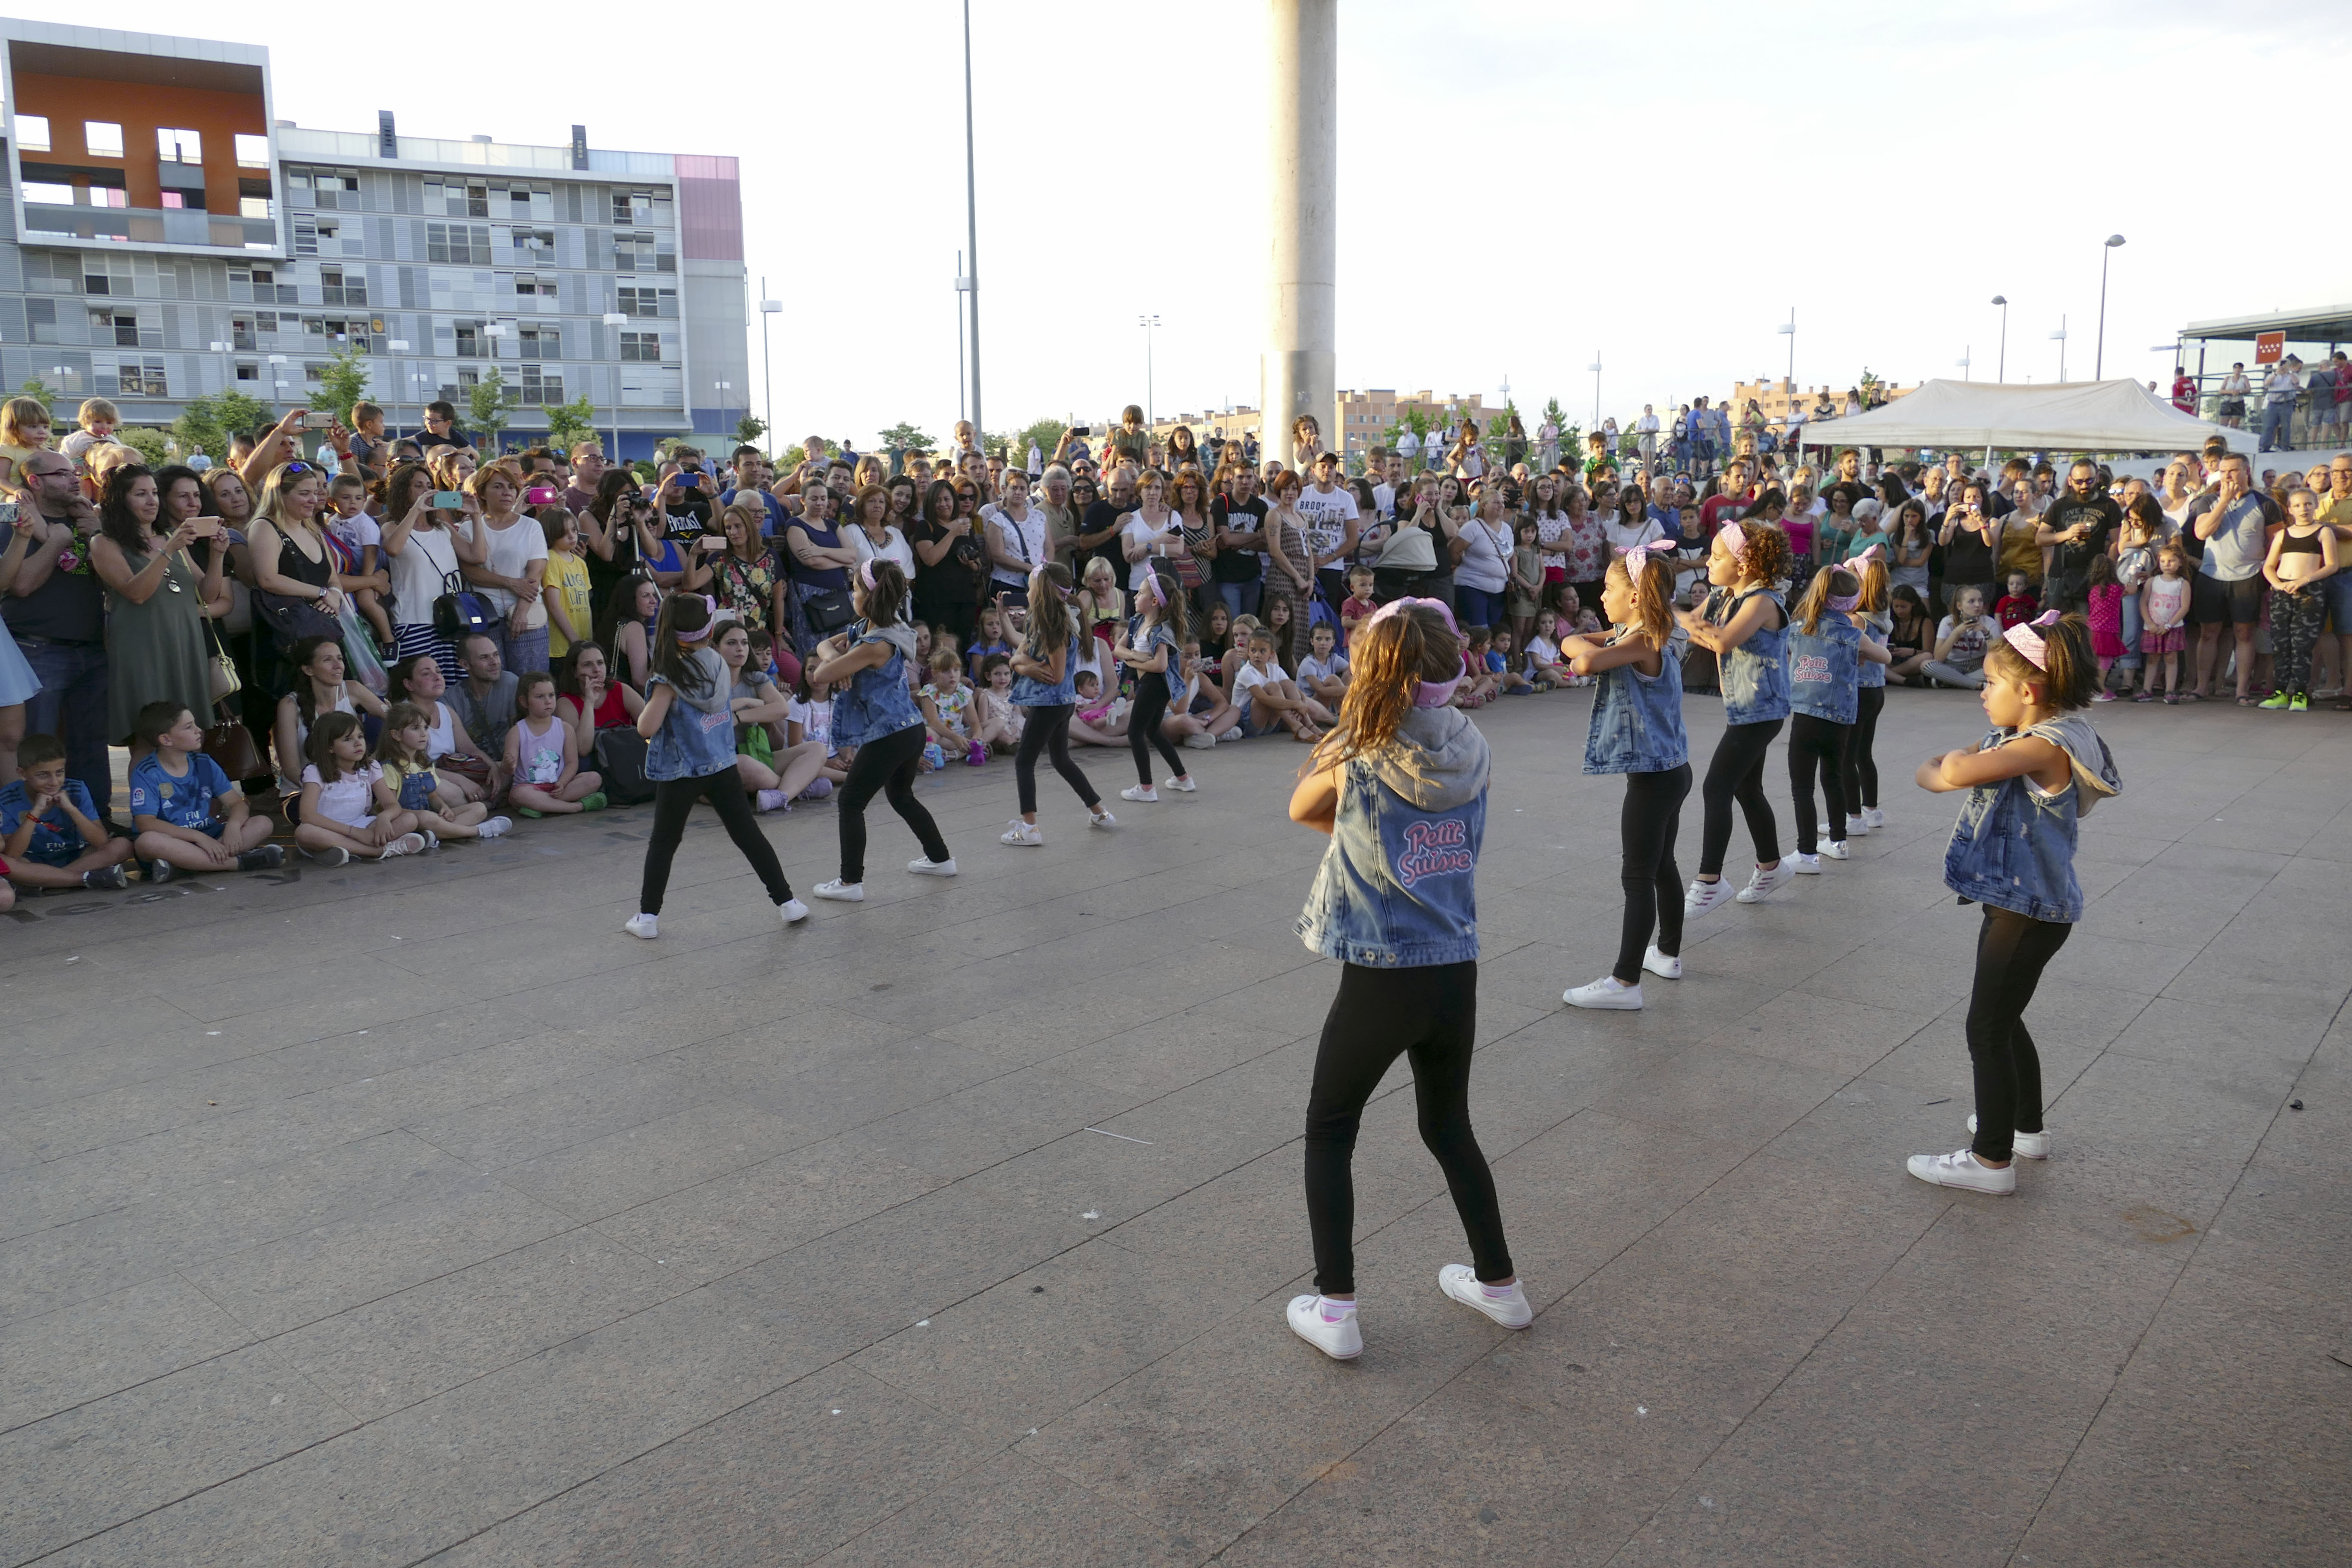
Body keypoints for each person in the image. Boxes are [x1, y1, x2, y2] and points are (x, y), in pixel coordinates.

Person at [1284, 597, 1526, 1360]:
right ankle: (1501, 1285)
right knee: (1449, 1125)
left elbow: (1301, 810)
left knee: (1330, 1128)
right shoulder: (1473, 744)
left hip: (1382, 975)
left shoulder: (1357, 749)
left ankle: (1336, 1307)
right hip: (1456, 969)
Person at [1907, 611, 2121, 1194]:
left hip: (2024, 910)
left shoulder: (2041, 747)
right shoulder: (2050, 733)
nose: (1982, 693)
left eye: (1990, 683)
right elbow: (1957, 767)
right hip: (2027, 905)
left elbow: (1947, 772)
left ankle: (1991, 1161)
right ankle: (2025, 1129)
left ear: (2028, 693)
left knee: (1986, 1027)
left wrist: (1948, 762)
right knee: (2004, 1017)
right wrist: (1955, 764)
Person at [625, 592, 807, 937]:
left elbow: (646, 728)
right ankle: (788, 902)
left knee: (664, 842)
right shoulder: (718, 663)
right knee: (748, 834)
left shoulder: (669, 677)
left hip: (681, 771)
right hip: (722, 764)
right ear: (710, 632)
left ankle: (648, 917)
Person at [1559, 547, 1689, 1010]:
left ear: (1635, 597)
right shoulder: (1647, 631)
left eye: (1609, 588)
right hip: (1669, 770)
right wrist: (1584, 648)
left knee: (1638, 875)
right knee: (1662, 865)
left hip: (1654, 778)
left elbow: (1585, 660)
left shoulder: (1644, 641)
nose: (1601, 596)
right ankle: (1667, 954)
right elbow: (1579, 642)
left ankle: (1625, 982)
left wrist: (1583, 652)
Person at [806, 559, 956, 901]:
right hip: (909, 728)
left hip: (891, 734)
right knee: (901, 797)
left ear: (869, 596)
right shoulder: (880, 628)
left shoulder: (877, 644)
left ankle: (850, 883)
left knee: (850, 801)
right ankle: (940, 859)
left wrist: (837, 665)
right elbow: (825, 646)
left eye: (855, 589)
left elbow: (819, 675)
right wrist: (838, 662)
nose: (852, 595)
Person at [1678, 520, 1794, 912]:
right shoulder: (1723, 595)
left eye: (1716, 557)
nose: (1708, 563)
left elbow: (1721, 640)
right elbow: (1693, 626)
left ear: (1743, 566)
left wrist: (1679, 616)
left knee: (1716, 787)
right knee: (1746, 788)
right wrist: (1678, 617)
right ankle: (1772, 866)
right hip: (1743, 708)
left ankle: (1710, 880)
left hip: (1762, 711)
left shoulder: (1762, 602)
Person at [88, 465, 227, 754]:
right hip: (143, 649)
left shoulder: (169, 536)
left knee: (191, 737)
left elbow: (206, 595)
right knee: (149, 740)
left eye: (154, 493)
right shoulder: (104, 543)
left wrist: (217, 556)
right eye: (141, 494)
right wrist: (168, 551)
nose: (152, 501)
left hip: (184, 644)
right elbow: (137, 594)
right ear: (120, 500)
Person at [5, 447, 111, 808]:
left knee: (91, 742)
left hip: (93, 649)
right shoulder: (15, 521)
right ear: (35, 481)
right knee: (39, 747)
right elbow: (20, 585)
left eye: (74, 473)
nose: (74, 480)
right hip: (39, 649)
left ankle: (96, 818)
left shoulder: (88, 521)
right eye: (62, 474)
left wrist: (98, 537)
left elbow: (116, 583)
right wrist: (55, 542)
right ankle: (39, 825)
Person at [999, 561, 1116, 845]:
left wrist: (1021, 664)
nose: (1027, 593)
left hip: (1049, 703)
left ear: (1041, 591)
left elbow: (1056, 674)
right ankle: (1100, 813)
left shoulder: (1055, 625)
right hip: (1059, 702)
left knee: (1024, 760)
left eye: (1030, 588)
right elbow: (1020, 652)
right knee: (1061, 759)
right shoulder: (1046, 619)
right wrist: (1020, 663)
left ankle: (1029, 829)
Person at [1782, 564, 1886, 873]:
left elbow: (1786, 658)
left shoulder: (1798, 628)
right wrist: (1863, 654)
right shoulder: (1854, 635)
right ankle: (1839, 842)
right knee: (1834, 778)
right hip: (1840, 718)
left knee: (1802, 787)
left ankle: (1806, 854)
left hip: (1805, 715)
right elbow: (1886, 657)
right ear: (1853, 601)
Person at [124, 702, 284, 878]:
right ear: (166, 740)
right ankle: (237, 863)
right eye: (189, 727)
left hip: (210, 834)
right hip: (173, 840)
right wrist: (197, 837)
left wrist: (233, 826)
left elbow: (237, 804)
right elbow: (146, 823)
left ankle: (187, 865)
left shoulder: (204, 762)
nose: (198, 730)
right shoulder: (146, 772)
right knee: (147, 842)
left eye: (196, 724)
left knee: (263, 823)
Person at [2, 732, 135, 891]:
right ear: (22, 774)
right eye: (43, 775)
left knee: (123, 846)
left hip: (77, 857)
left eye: (60, 773)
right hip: (32, 860)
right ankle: (81, 879)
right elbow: (12, 854)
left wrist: (71, 809)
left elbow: (101, 841)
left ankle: (44, 881)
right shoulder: (7, 798)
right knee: (6, 862)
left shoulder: (76, 789)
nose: (54, 782)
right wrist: (35, 812)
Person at [2188, 455, 2272, 703]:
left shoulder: (2265, 504)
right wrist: (2224, 501)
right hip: (2212, 575)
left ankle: (2242, 690)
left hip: (2249, 576)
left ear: (2247, 471)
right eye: (2223, 471)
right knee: (2208, 633)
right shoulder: (2208, 501)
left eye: (2233, 470)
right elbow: (2201, 532)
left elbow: (2275, 542)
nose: (2227, 476)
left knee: (2244, 633)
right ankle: (2202, 687)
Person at [1112, 564, 1200, 801]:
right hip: (1147, 683)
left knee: (1135, 732)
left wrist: (1135, 661)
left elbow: (1160, 666)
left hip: (1156, 685)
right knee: (1152, 730)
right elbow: (1118, 649)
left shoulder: (1161, 631)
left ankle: (1146, 788)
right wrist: (1136, 657)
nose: (1135, 596)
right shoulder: (1136, 622)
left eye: (1140, 593)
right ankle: (1183, 778)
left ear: (1154, 602)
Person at [294, 711, 428, 865]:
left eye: (360, 737)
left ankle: (343, 851)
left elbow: (392, 805)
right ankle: (379, 851)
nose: (358, 743)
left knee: (410, 819)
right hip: (328, 830)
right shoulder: (315, 772)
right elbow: (308, 816)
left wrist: (384, 818)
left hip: (363, 826)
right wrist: (354, 833)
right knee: (304, 832)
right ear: (330, 747)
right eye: (348, 739)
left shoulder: (371, 768)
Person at [374, 701, 508, 842]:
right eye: (415, 729)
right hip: (406, 819)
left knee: (479, 809)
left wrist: (443, 807)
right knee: (427, 817)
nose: (423, 734)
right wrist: (425, 815)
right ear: (396, 735)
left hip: (429, 818)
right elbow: (389, 808)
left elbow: (432, 795)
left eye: (426, 728)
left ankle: (433, 836)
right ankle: (476, 831)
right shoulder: (390, 768)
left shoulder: (424, 763)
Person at [2258, 487, 2338, 711]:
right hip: (2283, 593)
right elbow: (2269, 566)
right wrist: (2278, 585)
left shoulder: (2323, 532)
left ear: (2316, 506)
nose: (2303, 509)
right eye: (2298, 505)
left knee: (2302, 645)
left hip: (2309, 593)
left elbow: (2332, 565)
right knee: (2280, 644)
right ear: (2290, 509)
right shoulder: (2282, 534)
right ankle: (2280, 692)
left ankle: (2300, 693)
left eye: (2308, 504)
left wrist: (2305, 580)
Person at [503, 670, 606, 817]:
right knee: (518, 795)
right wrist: (509, 765)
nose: (548, 701)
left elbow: (572, 763)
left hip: (559, 787)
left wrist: (562, 783)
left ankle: (541, 806)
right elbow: (508, 769)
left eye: (551, 695)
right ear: (524, 702)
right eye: (540, 697)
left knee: (594, 779)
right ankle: (577, 807)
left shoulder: (565, 728)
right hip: (530, 788)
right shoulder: (517, 731)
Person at [1843, 548, 1892, 831]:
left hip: (1859, 691)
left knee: (1847, 756)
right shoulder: (1880, 617)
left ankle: (1853, 817)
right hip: (1875, 690)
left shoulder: (1857, 620)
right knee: (1864, 753)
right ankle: (1871, 810)